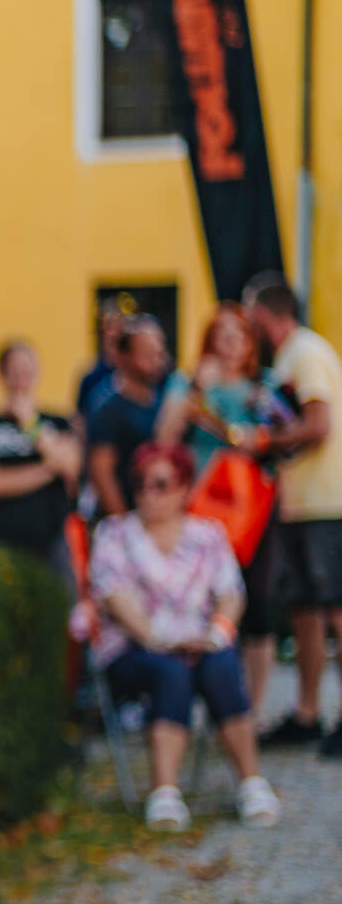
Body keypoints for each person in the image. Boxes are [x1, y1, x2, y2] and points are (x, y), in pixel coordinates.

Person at [88, 442, 280, 830]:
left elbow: (231, 593)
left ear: (183, 488)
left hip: (200, 642)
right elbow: (116, 599)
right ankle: (165, 791)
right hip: (134, 647)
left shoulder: (208, 534)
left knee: (220, 663)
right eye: (140, 484)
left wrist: (216, 635)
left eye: (160, 484)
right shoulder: (114, 534)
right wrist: (162, 640)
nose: (148, 494)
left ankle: (251, 782)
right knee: (171, 670)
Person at [154, 304, 290, 712]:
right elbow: (163, 437)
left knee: (256, 602)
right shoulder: (188, 382)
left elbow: (284, 436)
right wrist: (197, 388)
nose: (231, 342)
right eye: (222, 333)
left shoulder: (264, 384)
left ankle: (252, 708)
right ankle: (204, 703)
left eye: (239, 334)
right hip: (203, 506)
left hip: (252, 509)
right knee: (201, 600)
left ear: (250, 341)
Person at [243, 275, 342, 753]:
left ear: (266, 315)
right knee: (305, 612)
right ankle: (307, 713)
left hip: (328, 502)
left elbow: (319, 424)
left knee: (335, 610)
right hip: (301, 503)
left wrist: (263, 440)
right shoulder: (287, 358)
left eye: (251, 319)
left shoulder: (305, 352)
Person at [0, 341, 81, 577]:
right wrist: (48, 470)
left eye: (26, 371)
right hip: (0, 539)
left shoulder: (57, 422)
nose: (21, 379)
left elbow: (70, 465)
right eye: (14, 372)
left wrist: (30, 423)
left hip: (50, 540)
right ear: (2, 375)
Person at [86, 316, 170, 516]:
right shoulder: (108, 409)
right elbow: (102, 473)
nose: (156, 361)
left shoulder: (166, 399)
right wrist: (123, 523)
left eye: (159, 354)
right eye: (147, 355)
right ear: (124, 357)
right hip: (129, 515)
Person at [76, 305, 126, 429]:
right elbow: (80, 418)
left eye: (118, 327)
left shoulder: (132, 372)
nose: (112, 333)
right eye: (108, 327)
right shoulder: (91, 377)